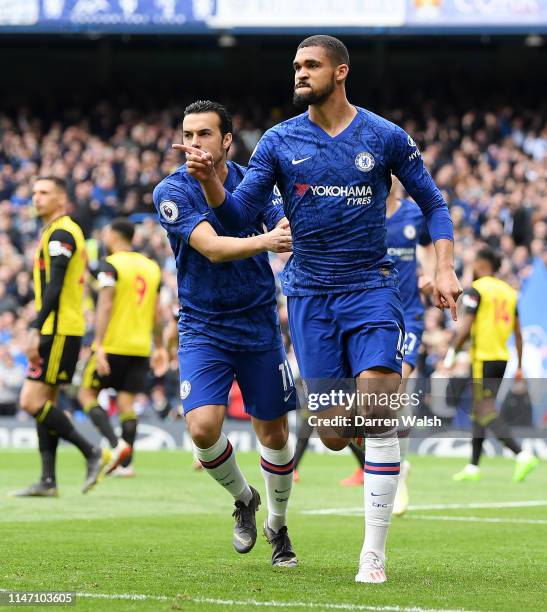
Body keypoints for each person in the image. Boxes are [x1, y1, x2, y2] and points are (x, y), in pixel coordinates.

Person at [178, 36, 461, 584]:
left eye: (311, 65)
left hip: (371, 289)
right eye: (296, 66)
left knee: (376, 411)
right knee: (332, 431)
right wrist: (211, 178)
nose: (300, 73)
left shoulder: (384, 135)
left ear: (341, 71)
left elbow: (435, 202)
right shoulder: (280, 141)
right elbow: (239, 213)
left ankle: (373, 553)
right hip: (308, 297)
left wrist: (445, 267)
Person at [153, 100, 298, 567]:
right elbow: (213, 248)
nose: (194, 144)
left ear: (227, 141)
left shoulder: (253, 181)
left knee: (274, 434)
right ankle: (243, 498)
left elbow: (279, 216)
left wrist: (280, 225)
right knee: (202, 427)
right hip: (203, 325)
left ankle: (277, 524)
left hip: (257, 321)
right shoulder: (171, 191)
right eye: (188, 135)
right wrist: (266, 241)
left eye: (205, 135)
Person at [14, 177, 110, 497]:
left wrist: (34, 329)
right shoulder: (55, 232)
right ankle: (48, 480)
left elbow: (55, 284)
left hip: (57, 330)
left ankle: (91, 451)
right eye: (34, 193)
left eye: (44, 193)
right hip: (58, 328)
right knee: (48, 403)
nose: (36, 198)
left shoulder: (62, 232)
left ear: (61, 199)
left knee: (31, 402)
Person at [78, 218, 166, 476]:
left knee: (86, 394)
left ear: (114, 236)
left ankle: (116, 447)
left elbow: (105, 304)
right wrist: (159, 346)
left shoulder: (111, 265)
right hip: (140, 347)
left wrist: (99, 344)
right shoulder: (151, 267)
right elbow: (158, 313)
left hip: (113, 343)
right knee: (127, 405)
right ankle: (126, 465)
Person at [444, 247, 539, 482]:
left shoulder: (477, 290)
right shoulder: (509, 291)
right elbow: (518, 333)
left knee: (485, 410)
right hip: (502, 358)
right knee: (479, 409)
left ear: (480, 264)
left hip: (484, 359)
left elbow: (466, 325)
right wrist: (518, 365)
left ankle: (521, 454)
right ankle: (474, 467)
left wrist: (451, 352)